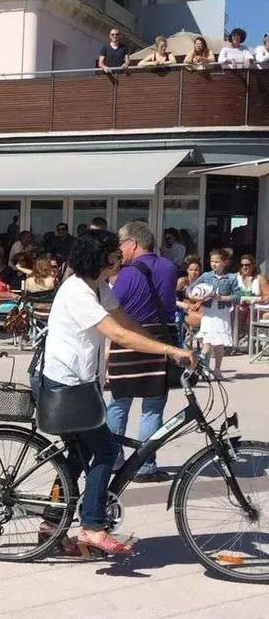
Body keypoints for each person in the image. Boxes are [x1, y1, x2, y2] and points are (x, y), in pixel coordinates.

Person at [37, 232, 193, 556]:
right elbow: (118, 333)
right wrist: (167, 350)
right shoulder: (78, 292)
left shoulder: (98, 287)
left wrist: (166, 348)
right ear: (101, 259)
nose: (119, 259)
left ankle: (51, 525)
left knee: (77, 457)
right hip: (66, 387)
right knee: (106, 452)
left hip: (79, 386)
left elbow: (128, 322)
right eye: (114, 255)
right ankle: (92, 527)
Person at [104, 222, 181, 482]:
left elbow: (114, 306)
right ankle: (145, 464)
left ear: (133, 243)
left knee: (118, 403)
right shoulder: (169, 267)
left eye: (121, 244)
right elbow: (168, 303)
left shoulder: (125, 274)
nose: (119, 249)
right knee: (153, 407)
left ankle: (112, 458)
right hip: (160, 339)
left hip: (129, 340)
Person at [192, 248, 240, 377]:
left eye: (217, 261)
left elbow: (237, 296)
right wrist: (196, 296)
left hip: (222, 312)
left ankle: (217, 368)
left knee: (219, 343)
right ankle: (204, 367)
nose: (214, 264)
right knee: (207, 341)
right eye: (212, 261)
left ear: (224, 262)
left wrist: (222, 298)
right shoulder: (206, 276)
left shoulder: (230, 278)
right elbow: (190, 289)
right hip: (208, 311)